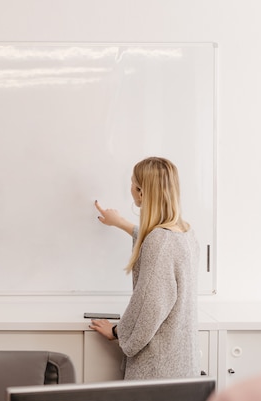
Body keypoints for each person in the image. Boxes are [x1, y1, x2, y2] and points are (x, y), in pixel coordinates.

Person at [89, 157, 199, 380]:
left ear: (141, 192)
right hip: (181, 363)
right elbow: (158, 243)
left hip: (157, 369)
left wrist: (117, 331)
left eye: (132, 183)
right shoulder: (185, 233)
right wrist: (120, 222)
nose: (130, 188)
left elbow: (149, 308)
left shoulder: (159, 242)